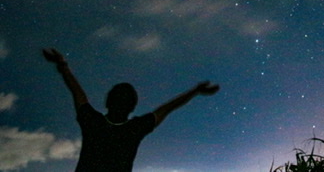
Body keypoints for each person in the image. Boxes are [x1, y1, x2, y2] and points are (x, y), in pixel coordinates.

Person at [42, 48, 220, 172]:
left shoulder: (94, 121)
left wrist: (63, 65)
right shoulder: (133, 128)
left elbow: (77, 93)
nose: (121, 103)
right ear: (132, 107)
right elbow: (167, 108)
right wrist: (195, 91)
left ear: (108, 102)